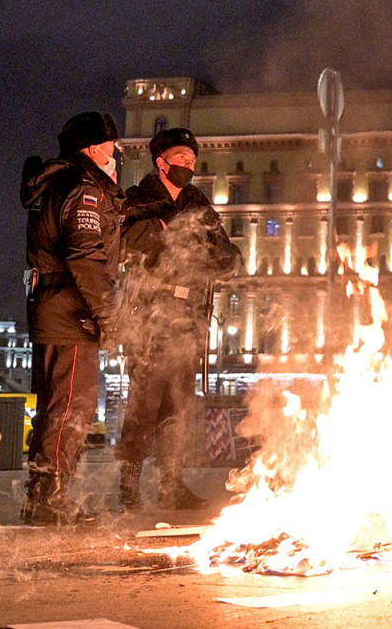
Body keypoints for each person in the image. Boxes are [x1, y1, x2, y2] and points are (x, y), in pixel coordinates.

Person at [115, 128, 241, 511]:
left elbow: (227, 257)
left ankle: (172, 485)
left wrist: (221, 254)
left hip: (187, 317)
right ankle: (129, 484)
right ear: (161, 161)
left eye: (191, 159)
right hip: (150, 314)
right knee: (144, 404)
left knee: (179, 405)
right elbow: (127, 241)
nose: (188, 165)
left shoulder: (198, 203)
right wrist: (169, 227)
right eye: (181, 158)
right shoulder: (140, 199)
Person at [20, 111, 123, 525]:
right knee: (72, 408)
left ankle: (41, 495)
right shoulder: (82, 189)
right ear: (94, 148)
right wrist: (108, 314)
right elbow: (85, 255)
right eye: (111, 148)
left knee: (54, 406)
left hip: (51, 305)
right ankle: (51, 497)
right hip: (72, 311)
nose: (115, 155)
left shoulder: (54, 184)